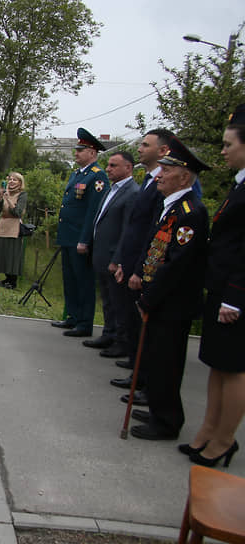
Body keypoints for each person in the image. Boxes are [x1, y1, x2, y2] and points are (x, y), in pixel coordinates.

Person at [127, 136, 208, 441]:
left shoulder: (190, 212)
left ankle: (167, 421)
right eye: (160, 169)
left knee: (168, 362)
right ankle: (158, 409)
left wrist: (150, 298)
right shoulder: (170, 206)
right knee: (156, 358)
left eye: (166, 170)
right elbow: (154, 247)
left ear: (184, 177)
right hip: (158, 297)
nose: (158, 175)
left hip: (172, 302)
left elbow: (176, 263)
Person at [182, 104, 245, 466]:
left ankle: (224, 440)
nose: (223, 151)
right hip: (221, 288)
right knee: (217, 364)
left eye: (228, 144)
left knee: (234, 369)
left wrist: (235, 298)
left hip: (236, 295)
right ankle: (207, 430)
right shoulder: (240, 185)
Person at [109, 129, 174, 405]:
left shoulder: (165, 183)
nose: (140, 148)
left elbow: (155, 231)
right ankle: (138, 374)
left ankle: (144, 380)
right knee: (134, 323)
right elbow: (136, 228)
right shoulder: (148, 179)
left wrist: (139, 268)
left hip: (147, 267)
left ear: (163, 151)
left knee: (145, 329)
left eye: (146, 145)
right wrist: (127, 261)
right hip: (134, 261)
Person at [52, 128, 108, 337]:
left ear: (92, 153)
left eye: (80, 150)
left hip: (79, 239)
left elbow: (93, 212)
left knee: (83, 281)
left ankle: (85, 323)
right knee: (70, 279)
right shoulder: (78, 174)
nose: (76, 153)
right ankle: (73, 317)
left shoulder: (98, 176)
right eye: (76, 149)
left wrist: (85, 240)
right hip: (68, 236)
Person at [87, 152, 139, 361]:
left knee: (119, 302)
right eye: (108, 165)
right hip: (101, 253)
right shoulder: (112, 189)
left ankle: (121, 340)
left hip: (114, 257)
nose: (107, 169)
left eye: (113, 165)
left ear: (128, 168)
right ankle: (108, 333)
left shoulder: (132, 192)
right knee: (107, 300)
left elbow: (128, 230)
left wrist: (117, 259)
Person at [0, 172, 27, 289]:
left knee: (12, 253)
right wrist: (1, 197)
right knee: (3, 251)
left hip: (14, 225)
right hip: (3, 224)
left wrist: (9, 200)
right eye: (10, 179)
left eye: (14, 180)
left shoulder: (22, 195)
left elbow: (17, 212)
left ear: (20, 183)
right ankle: (6, 277)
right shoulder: (6, 193)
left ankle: (12, 280)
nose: (11, 181)